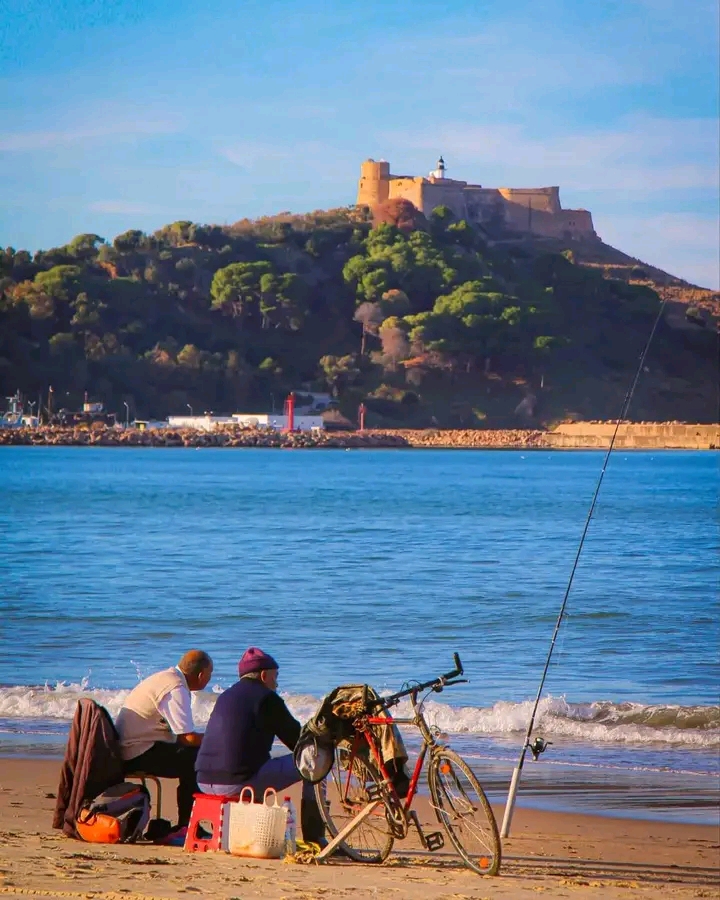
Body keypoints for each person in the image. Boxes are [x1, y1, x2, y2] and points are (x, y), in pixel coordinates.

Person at [195, 647, 325, 845]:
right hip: (237, 783)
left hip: (204, 781)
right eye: (275, 677)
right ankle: (315, 837)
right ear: (264, 675)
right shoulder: (267, 698)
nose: (277, 683)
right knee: (316, 761)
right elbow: (298, 744)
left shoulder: (225, 696)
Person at [115, 649, 213, 835]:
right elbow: (188, 738)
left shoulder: (168, 678)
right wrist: (219, 740)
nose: (210, 679)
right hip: (135, 752)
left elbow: (182, 735)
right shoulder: (176, 688)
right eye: (210, 674)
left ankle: (190, 823)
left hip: (134, 745)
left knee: (196, 754)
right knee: (196, 760)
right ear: (201, 675)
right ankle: (189, 825)